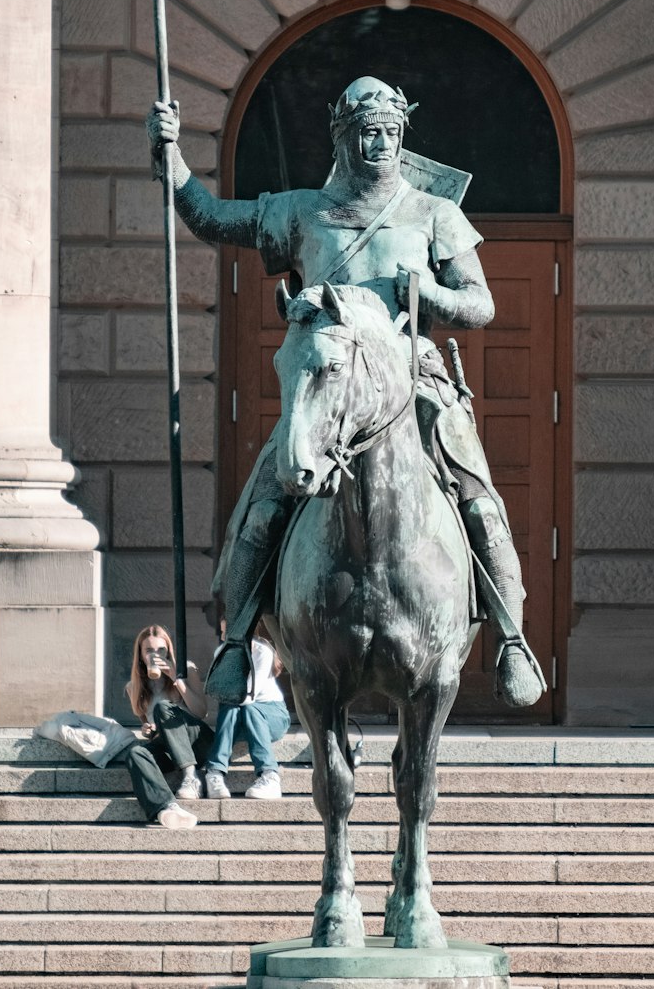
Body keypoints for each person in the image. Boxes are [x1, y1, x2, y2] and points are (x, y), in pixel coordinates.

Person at [146, 76, 544, 709]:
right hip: (329, 381)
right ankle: (236, 637)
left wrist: (430, 293)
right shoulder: (304, 211)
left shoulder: (434, 213)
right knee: (266, 497)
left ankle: (511, 637)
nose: (378, 142)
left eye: (389, 131)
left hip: (413, 379)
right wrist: (172, 162)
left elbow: (481, 305)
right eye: (365, 132)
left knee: (478, 496)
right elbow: (214, 219)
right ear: (343, 137)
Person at [123, 624, 213, 828]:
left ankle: (191, 778)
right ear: (140, 655)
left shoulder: (187, 669)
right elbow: (150, 728)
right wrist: (149, 731)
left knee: (163, 708)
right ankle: (166, 807)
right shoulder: (134, 688)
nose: (156, 655)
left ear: (168, 650)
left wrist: (176, 678)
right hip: (172, 749)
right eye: (149, 650)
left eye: (161, 650)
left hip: (199, 742)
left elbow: (201, 712)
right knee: (136, 753)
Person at [204, 620, 291, 800]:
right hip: (241, 720)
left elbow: (248, 696)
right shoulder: (221, 653)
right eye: (221, 632)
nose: (223, 637)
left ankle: (270, 775)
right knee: (230, 708)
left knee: (248, 708)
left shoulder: (262, 652)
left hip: (272, 716)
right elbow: (218, 692)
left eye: (226, 632)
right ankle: (215, 774)